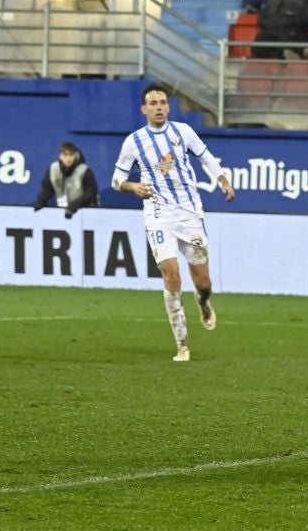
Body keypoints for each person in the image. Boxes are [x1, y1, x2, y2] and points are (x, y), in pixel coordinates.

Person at [112, 82, 235, 362]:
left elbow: (205, 157)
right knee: (171, 273)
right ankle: (182, 345)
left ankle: (203, 301)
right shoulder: (134, 142)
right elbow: (116, 180)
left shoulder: (183, 132)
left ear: (168, 106)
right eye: (153, 103)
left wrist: (223, 180)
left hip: (190, 215)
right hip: (157, 215)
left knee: (202, 281)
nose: (158, 108)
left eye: (162, 103)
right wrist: (132, 187)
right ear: (144, 109)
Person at [33, 142, 99, 218]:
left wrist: (74, 205)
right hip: (64, 210)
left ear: (75, 155)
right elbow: (47, 189)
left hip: (84, 210)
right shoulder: (53, 169)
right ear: (60, 156)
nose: (68, 158)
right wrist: (40, 202)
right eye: (65, 155)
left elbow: (91, 192)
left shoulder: (85, 171)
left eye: (71, 155)